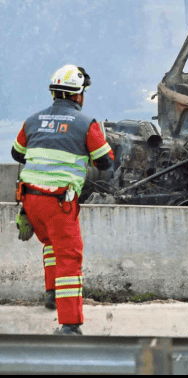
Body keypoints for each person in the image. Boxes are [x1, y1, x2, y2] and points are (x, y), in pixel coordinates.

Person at [11, 65, 114, 335]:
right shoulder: (85, 124)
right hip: (58, 202)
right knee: (69, 258)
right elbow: (105, 162)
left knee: (49, 242)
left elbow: (16, 153)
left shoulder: (33, 120)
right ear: (79, 95)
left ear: (54, 93)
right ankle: (70, 324)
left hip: (31, 202)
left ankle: (51, 294)